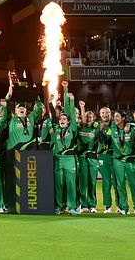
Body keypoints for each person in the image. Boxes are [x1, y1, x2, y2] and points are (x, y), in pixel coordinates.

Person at [102, 110, 135, 214]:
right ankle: (124, 207)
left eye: (117, 116)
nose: (115, 118)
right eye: (114, 116)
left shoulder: (132, 128)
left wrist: (130, 123)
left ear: (123, 118)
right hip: (117, 160)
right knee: (120, 185)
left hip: (129, 159)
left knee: (134, 184)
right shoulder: (112, 128)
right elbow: (106, 137)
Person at [49, 83, 80, 215]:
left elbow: (70, 112)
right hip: (57, 159)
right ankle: (59, 206)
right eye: (60, 118)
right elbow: (52, 114)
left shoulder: (72, 128)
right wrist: (50, 102)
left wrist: (68, 93)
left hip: (69, 159)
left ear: (68, 121)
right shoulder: (56, 130)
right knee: (59, 185)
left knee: (71, 184)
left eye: (64, 119)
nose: (62, 120)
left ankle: (72, 207)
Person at [77, 101, 99, 213]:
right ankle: (83, 204)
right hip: (82, 157)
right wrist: (82, 107)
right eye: (86, 116)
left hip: (93, 157)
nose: (89, 118)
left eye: (90, 117)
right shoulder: (80, 127)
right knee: (83, 182)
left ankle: (92, 205)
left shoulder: (96, 129)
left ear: (94, 118)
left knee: (92, 182)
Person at [97, 107, 117, 213]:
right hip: (103, 156)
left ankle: (120, 205)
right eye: (102, 113)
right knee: (106, 182)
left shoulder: (115, 124)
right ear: (100, 115)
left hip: (114, 156)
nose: (105, 114)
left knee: (117, 182)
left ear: (110, 113)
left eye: (107, 112)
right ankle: (107, 206)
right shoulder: (98, 126)